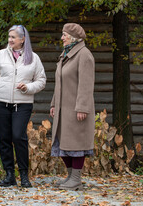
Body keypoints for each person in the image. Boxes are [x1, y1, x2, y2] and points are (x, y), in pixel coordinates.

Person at [0, 25, 46, 187]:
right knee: (4, 138)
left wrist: (28, 87)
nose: (10, 40)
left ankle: (24, 175)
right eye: (9, 37)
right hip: (1, 103)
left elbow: (41, 80)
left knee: (18, 136)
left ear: (22, 39)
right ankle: (9, 174)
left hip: (23, 104)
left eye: (13, 37)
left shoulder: (33, 58)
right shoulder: (0, 55)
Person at [49, 23, 95, 191]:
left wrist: (82, 107)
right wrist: (54, 103)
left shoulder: (84, 55)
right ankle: (70, 176)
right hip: (63, 109)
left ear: (73, 38)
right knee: (63, 143)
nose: (62, 38)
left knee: (76, 143)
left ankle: (76, 179)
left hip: (76, 109)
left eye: (64, 35)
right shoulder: (66, 55)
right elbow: (59, 83)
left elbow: (86, 84)